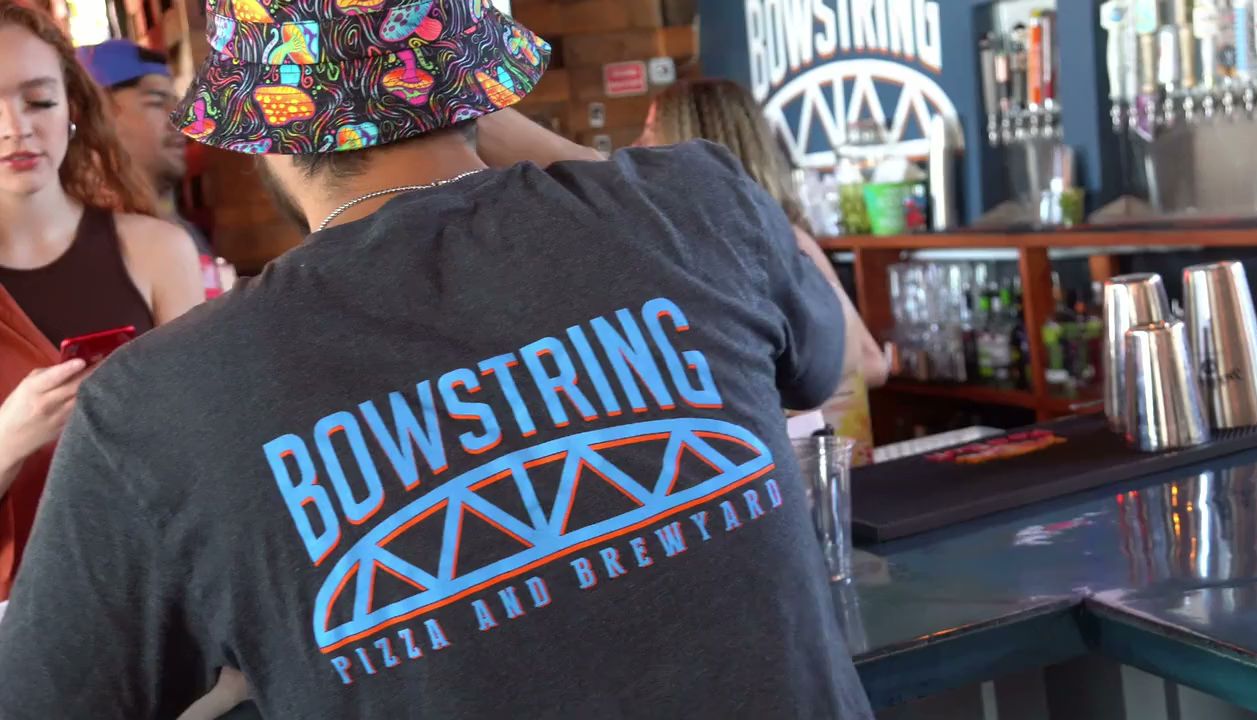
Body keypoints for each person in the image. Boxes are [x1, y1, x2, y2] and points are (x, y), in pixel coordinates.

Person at [0, 1, 874, 718]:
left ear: (262, 130)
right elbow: (818, 362)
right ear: (479, 89)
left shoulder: (157, 404)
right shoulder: (697, 205)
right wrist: (498, 123)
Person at [0, 0, 205, 601]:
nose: (16, 127)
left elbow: (203, 442)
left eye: (39, 101)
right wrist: (12, 435)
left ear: (73, 109)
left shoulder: (158, 251)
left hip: (154, 589)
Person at [638, 79, 889, 462]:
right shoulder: (695, 250)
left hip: (800, 470)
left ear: (690, 140)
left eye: (652, 130)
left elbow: (870, 363)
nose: (637, 144)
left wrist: (759, 395)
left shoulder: (782, 242)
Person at [76, 38, 227, 299]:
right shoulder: (81, 244)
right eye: (157, 102)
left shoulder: (180, 231)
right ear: (96, 115)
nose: (182, 119)